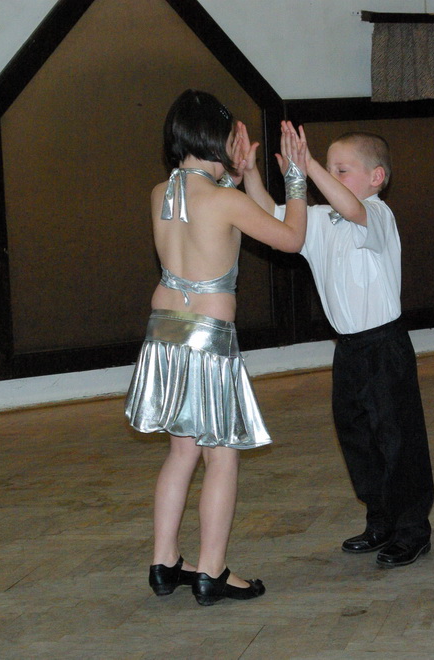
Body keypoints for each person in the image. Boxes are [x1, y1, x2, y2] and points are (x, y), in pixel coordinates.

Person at [124, 89, 309, 605]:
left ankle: (164, 562)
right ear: (215, 137)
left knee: (181, 452)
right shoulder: (224, 200)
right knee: (221, 456)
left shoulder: (160, 192)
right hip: (208, 337)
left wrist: (237, 173)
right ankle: (211, 571)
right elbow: (292, 238)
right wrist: (294, 177)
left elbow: (204, 207)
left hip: (164, 333)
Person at [239, 124, 434, 568]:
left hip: (385, 348)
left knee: (398, 440)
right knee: (358, 439)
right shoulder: (321, 221)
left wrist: (307, 166)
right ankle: (380, 520)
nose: (329, 176)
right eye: (328, 168)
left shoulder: (377, 214)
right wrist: (250, 173)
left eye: (340, 170)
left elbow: (351, 207)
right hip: (348, 350)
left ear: (376, 178)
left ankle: (412, 530)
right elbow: (270, 215)